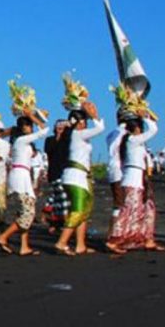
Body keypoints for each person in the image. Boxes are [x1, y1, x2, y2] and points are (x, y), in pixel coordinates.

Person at [107, 114, 164, 252]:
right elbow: (153, 129)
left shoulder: (135, 141)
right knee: (128, 210)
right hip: (133, 179)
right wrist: (144, 116)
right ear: (137, 128)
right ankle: (115, 240)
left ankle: (147, 238)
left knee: (147, 208)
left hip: (139, 178)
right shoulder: (132, 140)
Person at [0, 111, 49, 256]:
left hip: (23, 176)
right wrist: (33, 117)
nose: (29, 128)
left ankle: (24, 246)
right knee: (28, 213)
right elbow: (44, 130)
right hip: (20, 176)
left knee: (23, 211)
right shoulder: (21, 140)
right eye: (27, 126)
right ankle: (3, 236)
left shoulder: (23, 142)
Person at [55, 103, 105, 255]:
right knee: (78, 210)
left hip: (78, 176)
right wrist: (95, 115)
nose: (84, 123)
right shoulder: (77, 134)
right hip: (76, 177)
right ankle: (61, 243)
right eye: (82, 120)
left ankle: (80, 244)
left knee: (84, 211)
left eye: (85, 120)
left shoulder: (75, 135)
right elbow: (99, 129)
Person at [42, 120, 70, 232]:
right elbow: (49, 150)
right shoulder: (50, 140)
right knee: (61, 197)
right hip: (55, 172)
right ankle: (61, 223)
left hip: (66, 172)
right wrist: (58, 135)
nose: (60, 128)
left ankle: (55, 223)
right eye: (58, 126)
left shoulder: (68, 140)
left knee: (59, 198)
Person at [105, 118, 128, 236]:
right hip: (121, 170)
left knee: (118, 203)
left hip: (112, 168)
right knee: (121, 203)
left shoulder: (111, 134)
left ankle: (114, 232)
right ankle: (114, 234)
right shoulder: (124, 134)